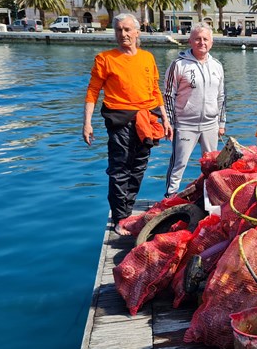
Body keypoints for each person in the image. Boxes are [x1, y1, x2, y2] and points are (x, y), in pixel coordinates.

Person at [83, 13, 172, 235]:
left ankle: (128, 210)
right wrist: (87, 123)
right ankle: (120, 218)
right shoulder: (105, 59)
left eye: (127, 30)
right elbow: (93, 91)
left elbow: (155, 89)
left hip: (146, 117)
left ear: (137, 32)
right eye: (119, 30)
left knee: (139, 166)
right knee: (119, 167)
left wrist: (165, 118)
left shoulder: (147, 58)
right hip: (119, 118)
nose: (123, 34)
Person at [164, 23, 226, 197]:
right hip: (185, 124)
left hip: (211, 125)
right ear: (190, 41)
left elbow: (221, 96)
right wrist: (169, 122)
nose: (202, 42)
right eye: (197, 39)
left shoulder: (217, 66)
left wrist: (221, 122)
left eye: (205, 39)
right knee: (179, 164)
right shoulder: (178, 65)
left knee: (211, 166)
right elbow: (169, 95)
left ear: (211, 42)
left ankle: (208, 199)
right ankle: (169, 198)